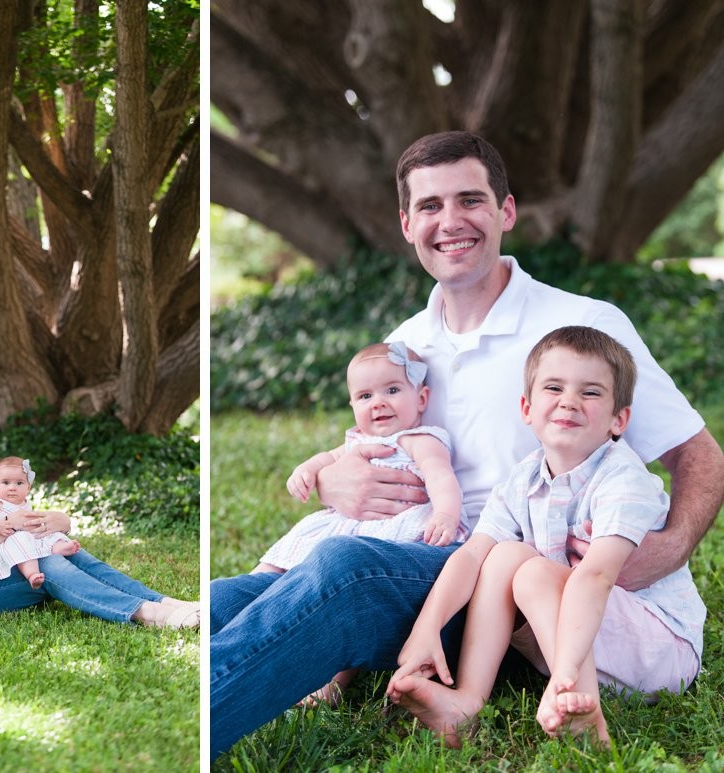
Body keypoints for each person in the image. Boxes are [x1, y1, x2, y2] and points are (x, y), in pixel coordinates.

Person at [209, 131, 724, 759]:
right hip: (448, 560)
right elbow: (376, 444)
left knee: (348, 573)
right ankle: (175, 651)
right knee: (240, 596)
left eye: (470, 200)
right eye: (429, 207)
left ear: (505, 211)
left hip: (528, 587)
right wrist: (338, 475)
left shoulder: (582, 329)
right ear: (406, 224)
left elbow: (697, 453)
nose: (450, 222)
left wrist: (670, 548)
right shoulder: (406, 344)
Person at [387, 326, 705, 746]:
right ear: (527, 407)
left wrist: (566, 674)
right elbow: (471, 556)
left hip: (660, 650)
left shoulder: (623, 478)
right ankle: (465, 702)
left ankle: (578, 702)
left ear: (618, 419)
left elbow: (595, 577)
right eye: (554, 387)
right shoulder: (524, 478)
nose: (569, 401)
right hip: (584, 639)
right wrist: (426, 628)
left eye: (590, 392)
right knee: (503, 556)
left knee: (534, 573)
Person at [255, 340, 464, 705]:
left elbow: (441, 477)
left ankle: (333, 682)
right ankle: (250, 600)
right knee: (278, 561)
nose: (378, 402)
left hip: (393, 527)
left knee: (351, 593)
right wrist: (306, 471)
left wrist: (446, 514)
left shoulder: (420, 439)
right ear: (353, 405)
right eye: (365, 396)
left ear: (422, 398)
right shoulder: (356, 440)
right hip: (346, 523)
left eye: (393, 390)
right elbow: (327, 458)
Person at [0, 387, 200, 629]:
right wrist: (12, 527)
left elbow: (35, 524)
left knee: (70, 554)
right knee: (48, 561)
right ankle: (146, 613)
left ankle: (165, 601)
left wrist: (58, 520)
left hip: (8, 566)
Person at [0, 456, 81, 589]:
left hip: (29, 538)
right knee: (20, 540)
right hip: (7, 543)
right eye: (6, 483)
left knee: (47, 533)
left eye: (19, 483)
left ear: (28, 487)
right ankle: (32, 574)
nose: (12, 488)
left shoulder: (26, 504)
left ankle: (58, 547)